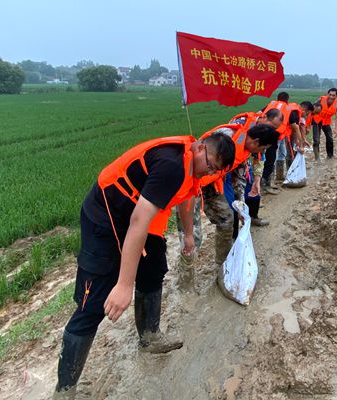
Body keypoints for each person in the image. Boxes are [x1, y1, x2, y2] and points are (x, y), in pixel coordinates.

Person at [53, 132, 236, 398]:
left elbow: (186, 198)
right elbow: (138, 221)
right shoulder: (172, 166)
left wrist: (188, 234)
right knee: (93, 302)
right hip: (106, 214)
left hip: (137, 213)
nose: (209, 172)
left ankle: (150, 336)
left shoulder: (193, 166)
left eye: (214, 171)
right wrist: (124, 285)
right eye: (210, 165)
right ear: (199, 148)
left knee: (153, 267)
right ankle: (65, 390)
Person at [196, 123, 279, 282]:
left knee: (227, 219)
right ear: (256, 142)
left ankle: (223, 264)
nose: (261, 152)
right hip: (194, 181)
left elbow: (239, 178)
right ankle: (186, 281)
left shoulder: (245, 150)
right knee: (193, 235)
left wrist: (241, 205)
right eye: (263, 148)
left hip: (212, 182)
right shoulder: (228, 137)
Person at [260, 92, 292, 195]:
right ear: (287, 100)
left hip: (265, 132)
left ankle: (271, 181)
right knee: (271, 159)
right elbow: (294, 125)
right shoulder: (287, 108)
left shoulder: (271, 104)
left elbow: (260, 112)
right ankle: (265, 185)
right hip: (274, 135)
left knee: (270, 158)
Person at [312, 88, 337, 160]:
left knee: (330, 138)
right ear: (327, 94)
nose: (331, 97)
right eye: (330, 95)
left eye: (333, 95)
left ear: (336, 96)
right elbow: (312, 109)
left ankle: (330, 156)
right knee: (316, 140)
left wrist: (336, 129)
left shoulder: (336, 104)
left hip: (326, 121)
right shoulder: (321, 99)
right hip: (317, 120)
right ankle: (317, 158)